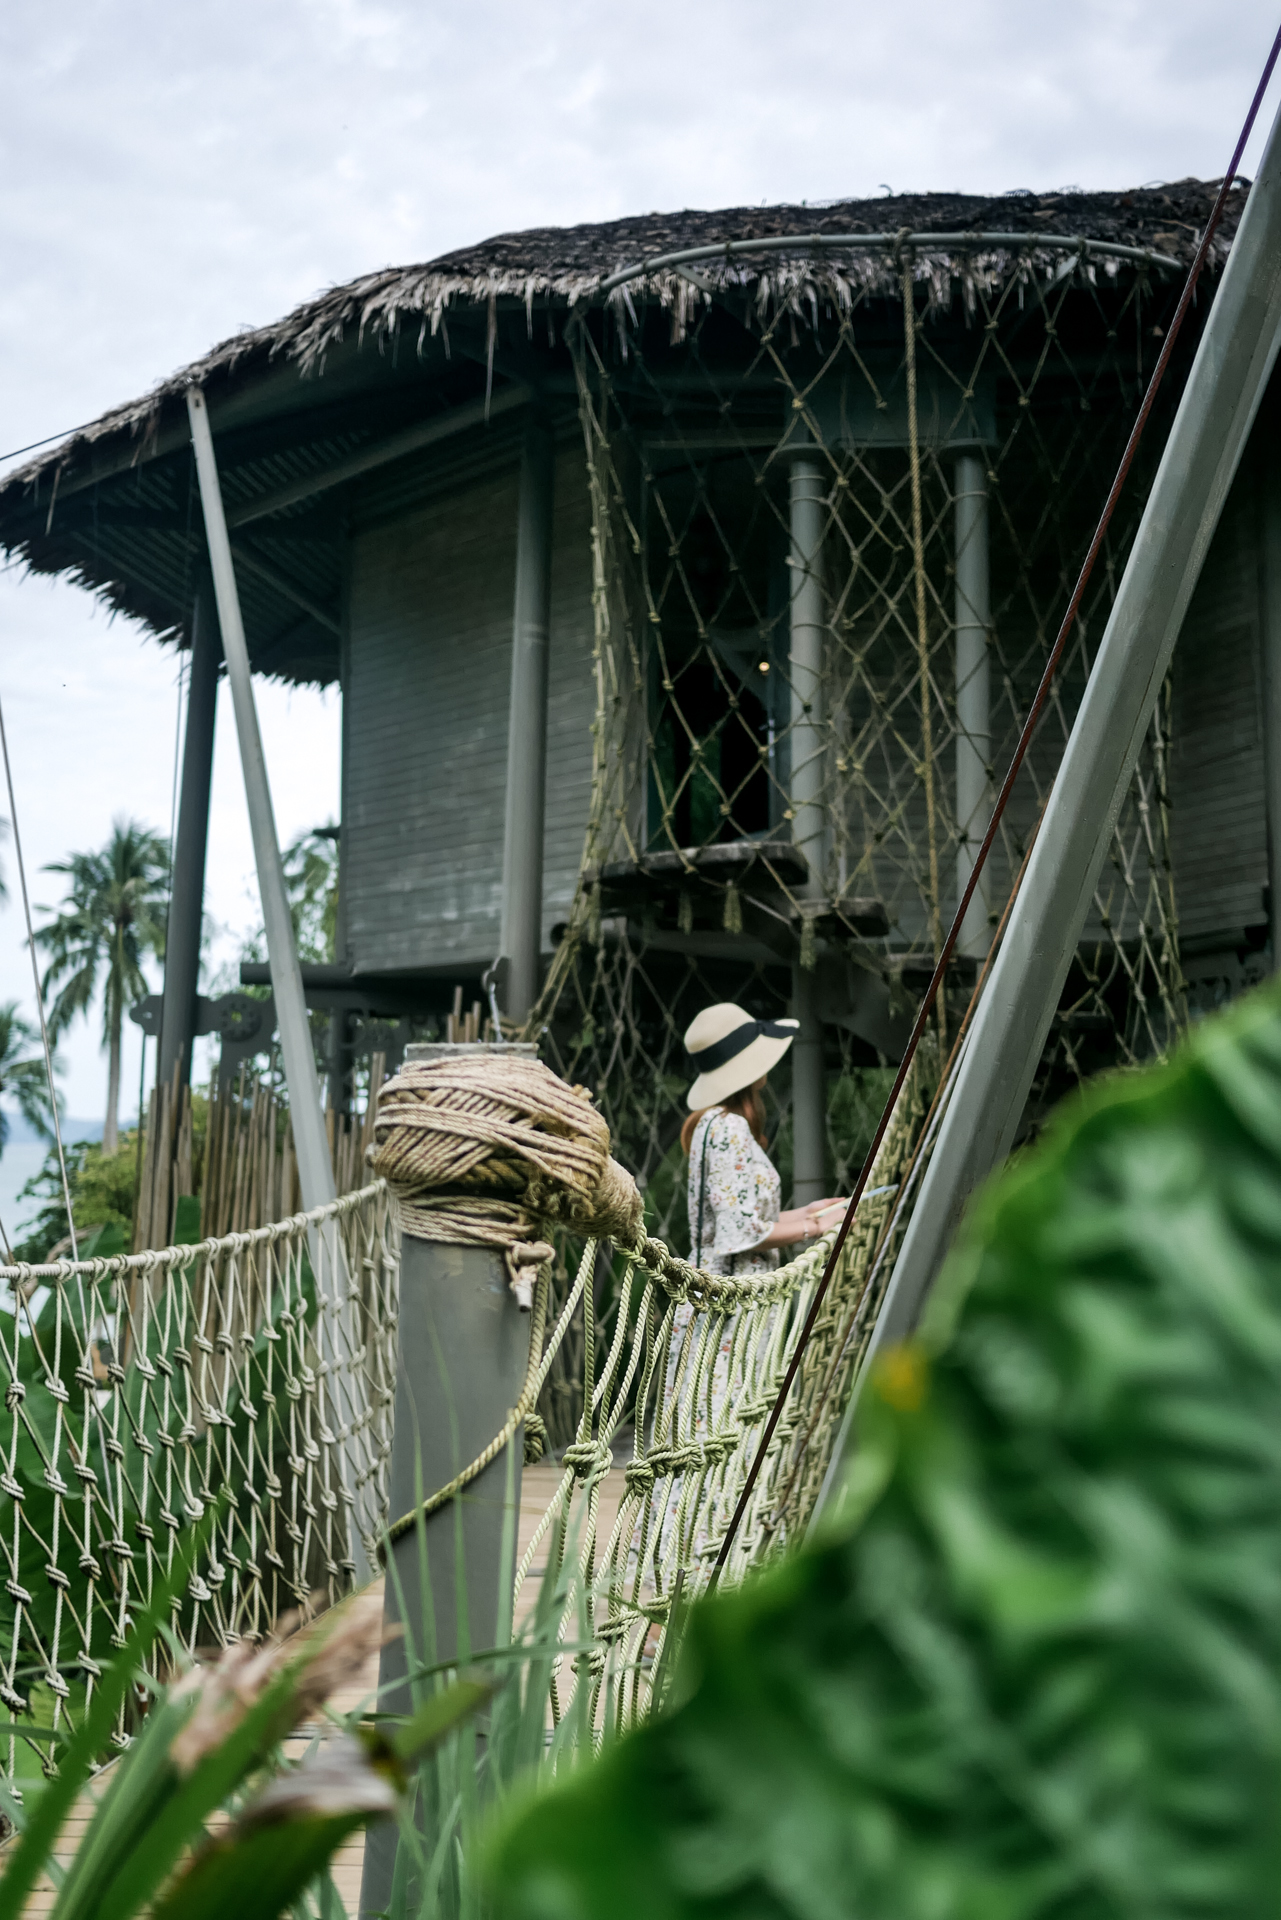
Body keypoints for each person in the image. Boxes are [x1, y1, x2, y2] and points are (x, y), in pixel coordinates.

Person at [682, 1002, 846, 1275]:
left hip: (723, 1289)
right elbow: (740, 1231)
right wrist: (815, 1227)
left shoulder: (713, 1123)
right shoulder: (728, 1128)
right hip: (732, 1300)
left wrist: (809, 1212)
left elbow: (744, 1217)